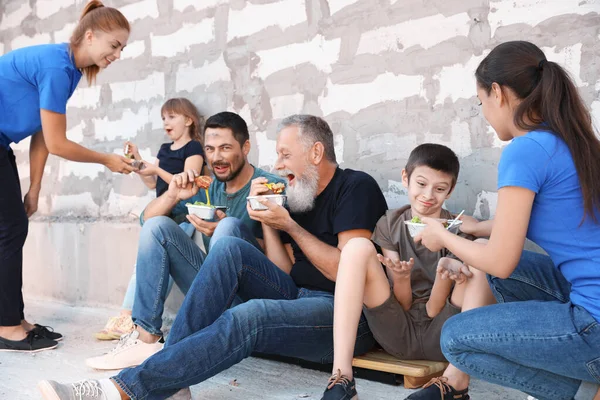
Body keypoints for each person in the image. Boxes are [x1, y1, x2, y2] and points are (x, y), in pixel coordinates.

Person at [37, 114, 388, 400]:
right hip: (296, 296)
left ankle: (124, 389)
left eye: (285, 154)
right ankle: (171, 381)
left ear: (315, 153)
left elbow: (348, 274)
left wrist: (291, 228)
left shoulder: (355, 187)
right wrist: (266, 218)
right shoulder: (298, 193)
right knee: (232, 245)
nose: (278, 165)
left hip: (344, 319)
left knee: (249, 314)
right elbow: (284, 270)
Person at [409, 41, 600, 400]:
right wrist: (474, 229)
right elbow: (533, 221)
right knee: (487, 258)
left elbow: (501, 259)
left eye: (480, 102)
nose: (483, 113)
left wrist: (442, 235)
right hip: (590, 296)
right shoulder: (571, 141)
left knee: (456, 339)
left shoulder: (523, 151)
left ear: (497, 93)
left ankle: (585, 392)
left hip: (595, 324)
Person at [86, 111, 284, 370]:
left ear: (245, 147)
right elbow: (146, 220)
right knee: (158, 226)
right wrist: (173, 195)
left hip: (254, 302)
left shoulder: (270, 187)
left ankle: (191, 339)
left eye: (226, 148)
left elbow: (284, 269)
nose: (216, 158)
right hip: (216, 297)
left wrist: (227, 240)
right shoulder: (208, 187)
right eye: (210, 149)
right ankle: (146, 339)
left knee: (228, 228)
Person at [0, 0, 134, 353]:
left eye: (122, 48)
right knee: (10, 229)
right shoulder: (58, 67)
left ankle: (14, 318)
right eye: (114, 45)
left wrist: (35, 188)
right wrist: (107, 160)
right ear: (89, 36)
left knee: (13, 227)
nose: (117, 54)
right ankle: (8, 326)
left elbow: (44, 135)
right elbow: (59, 142)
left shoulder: (70, 70)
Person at [320, 144, 495, 400]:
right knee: (357, 246)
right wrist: (400, 278)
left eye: (439, 189)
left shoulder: (458, 228)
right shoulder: (390, 223)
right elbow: (401, 303)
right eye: (421, 184)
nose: (428, 195)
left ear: (451, 190)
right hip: (397, 331)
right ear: (405, 178)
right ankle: (342, 378)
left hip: (446, 332)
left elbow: (434, 309)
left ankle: (455, 383)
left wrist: (448, 265)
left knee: (483, 250)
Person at [95, 97, 206, 341]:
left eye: (172, 116)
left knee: (154, 263)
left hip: (181, 216)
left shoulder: (194, 149)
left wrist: (155, 169)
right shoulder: (164, 150)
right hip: (160, 213)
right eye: (164, 118)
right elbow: (153, 183)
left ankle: (129, 317)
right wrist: (138, 161)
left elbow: (189, 180)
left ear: (188, 120)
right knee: (149, 263)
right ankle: (132, 318)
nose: (166, 122)